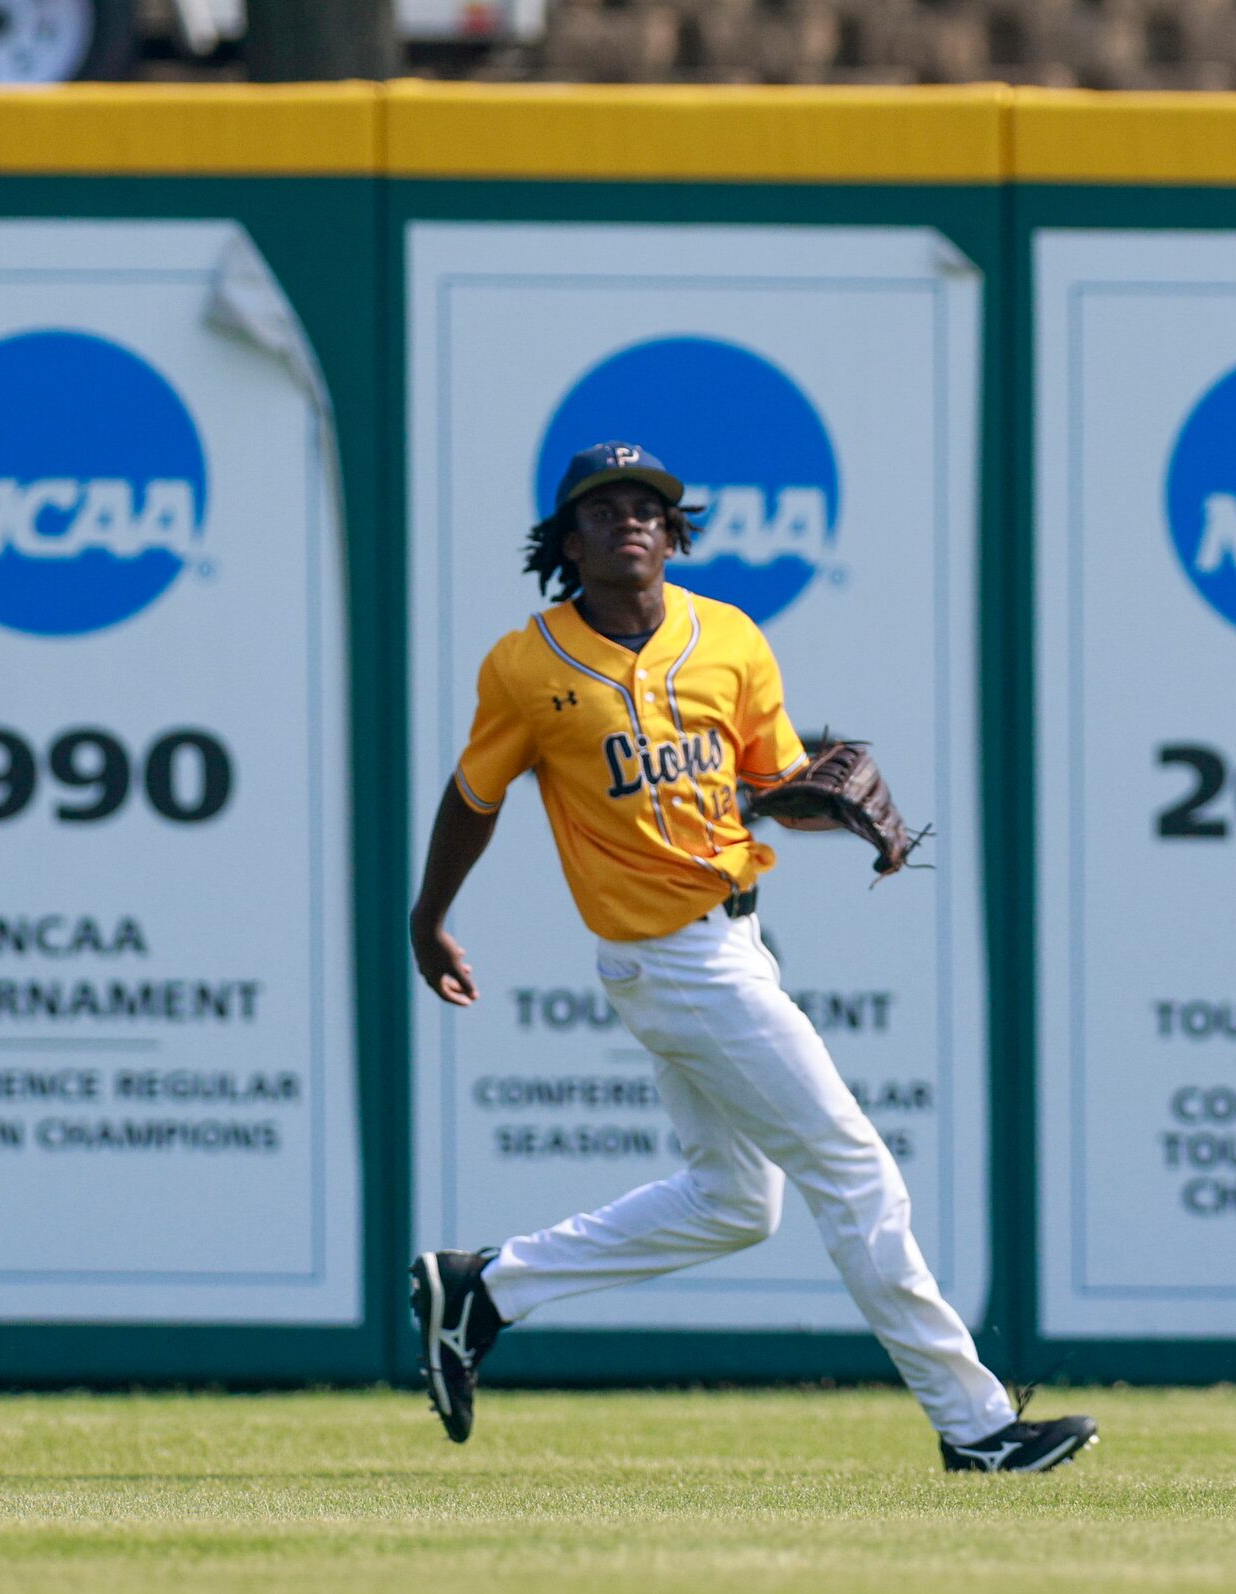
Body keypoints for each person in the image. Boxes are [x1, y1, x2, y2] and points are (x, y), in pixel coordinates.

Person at [408, 441, 1095, 1475]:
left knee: (733, 1203)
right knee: (852, 1167)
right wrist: (430, 917)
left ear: (674, 533)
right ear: (566, 540)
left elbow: (771, 781)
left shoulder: (727, 639)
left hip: (734, 938)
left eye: (649, 506)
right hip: (671, 958)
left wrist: (850, 815)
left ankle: (486, 1287)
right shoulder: (527, 664)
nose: (629, 521)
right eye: (603, 508)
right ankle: (975, 1424)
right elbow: (474, 796)